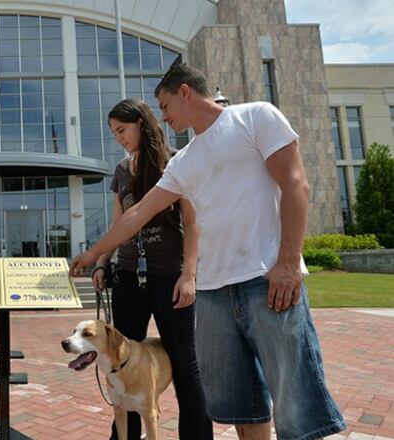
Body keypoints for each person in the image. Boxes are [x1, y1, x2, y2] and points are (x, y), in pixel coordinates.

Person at [71, 63, 346, 440]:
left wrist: (287, 263)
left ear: (185, 92)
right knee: (241, 406)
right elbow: (137, 213)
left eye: (165, 106)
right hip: (214, 296)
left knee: (294, 405)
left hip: (267, 281)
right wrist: (92, 254)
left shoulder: (256, 117)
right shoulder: (184, 161)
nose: (163, 118)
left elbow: (296, 184)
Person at [93, 98, 212, 440]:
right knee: (121, 361)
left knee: (185, 365)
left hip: (169, 278)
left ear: (141, 125)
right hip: (129, 278)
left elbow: (192, 223)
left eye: (122, 130)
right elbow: (120, 223)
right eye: (113, 132)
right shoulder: (121, 171)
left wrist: (189, 275)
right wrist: (103, 262)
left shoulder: (177, 162)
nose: (118, 137)